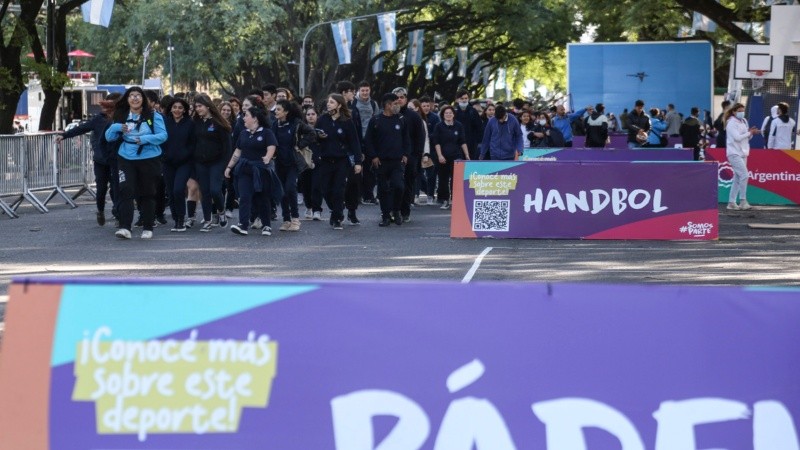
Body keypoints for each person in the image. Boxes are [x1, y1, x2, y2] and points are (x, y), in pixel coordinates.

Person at [104, 86, 167, 240]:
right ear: (127, 99)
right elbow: (109, 137)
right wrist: (116, 127)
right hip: (126, 157)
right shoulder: (121, 115)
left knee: (147, 192)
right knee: (125, 190)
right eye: (131, 95)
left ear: (143, 99)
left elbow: (163, 135)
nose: (135, 98)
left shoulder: (153, 115)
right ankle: (125, 227)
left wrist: (145, 139)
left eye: (138, 95)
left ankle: (147, 227)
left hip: (149, 157)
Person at [57, 92, 121, 227]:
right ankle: (101, 210)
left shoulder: (122, 118)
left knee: (117, 187)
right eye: (105, 105)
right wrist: (64, 135)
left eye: (111, 105)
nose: (107, 108)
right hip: (101, 160)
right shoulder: (98, 119)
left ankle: (118, 214)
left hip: (117, 160)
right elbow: (81, 128)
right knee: (101, 188)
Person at [225, 107, 280, 236]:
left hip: (260, 170)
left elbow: (272, 147)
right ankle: (243, 225)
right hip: (244, 169)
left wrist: (267, 157)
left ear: (255, 118)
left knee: (262, 198)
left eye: (246, 115)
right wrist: (229, 167)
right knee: (244, 197)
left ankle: (266, 225)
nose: (244, 118)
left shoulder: (266, 133)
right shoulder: (243, 133)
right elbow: (237, 152)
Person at [315, 94, 361, 230]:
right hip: (325, 160)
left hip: (342, 160)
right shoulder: (323, 119)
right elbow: (314, 137)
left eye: (332, 102)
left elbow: (354, 142)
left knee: (338, 189)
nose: (328, 104)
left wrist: (358, 162)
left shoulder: (347, 121)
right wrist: (319, 136)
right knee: (325, 189)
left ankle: (337, 217)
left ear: (339, 105)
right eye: (328, 102)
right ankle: (334, 209)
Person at [365, 93, 411, 227]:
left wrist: (406, 154)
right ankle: (385, 215)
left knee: (399, 186)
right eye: (395, 103)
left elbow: (407, 139)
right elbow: (369, 141)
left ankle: (396, 210)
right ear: (387, 105)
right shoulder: (376, 120)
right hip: (381, 161)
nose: (398, 105)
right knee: (383, 189)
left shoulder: (401, 119)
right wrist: (373, 156)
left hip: (397, 161)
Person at [272, 99, 315, 232]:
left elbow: (311, 133)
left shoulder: (296, 124)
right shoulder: (274, 125)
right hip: (279, 162)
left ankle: (295, 219)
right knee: (282, 191)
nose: (276, 112)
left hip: (293, 162)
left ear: (286, 112)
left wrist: (300, 145)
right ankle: (286, 219)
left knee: (290, 188)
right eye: (275, 109)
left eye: (279, 109)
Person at [192, 93, 232, 232]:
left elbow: (227, 146)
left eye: (200, 106)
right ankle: (208, 220)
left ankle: (221, 212)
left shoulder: (218, 123)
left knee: (215, 190)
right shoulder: (196, 122)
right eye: (196, 106)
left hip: (217, 162)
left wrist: (227, 164)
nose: (197, 109)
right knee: (205, 191)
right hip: (200, 162)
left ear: (208, 106)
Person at [161, 98, 196, 232]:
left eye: (180, 108)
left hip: (185, 163)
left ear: (185, 110)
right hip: (168, 162)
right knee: (170, 192)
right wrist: (163, 155)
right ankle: (176, 219)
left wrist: (186, 155)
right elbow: (160, 140)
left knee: (178, 189)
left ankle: (181, 219)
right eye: (174, 107)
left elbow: (193, 143)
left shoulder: (190, 123)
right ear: (170, 108)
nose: (177, 110)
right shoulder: (164, 123)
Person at [392, 87, 425, 223]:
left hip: (410, 157)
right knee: (393, 185)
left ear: (406, 98)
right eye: (396, 97)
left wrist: (416, 155)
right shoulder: (389, 114)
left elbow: (420, 136)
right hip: (392, 157)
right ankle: (392, 210)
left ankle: (405, 211)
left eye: (402, 97)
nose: (399, 99)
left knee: (407, 185)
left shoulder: (414, 116)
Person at [431, 105, 469, 210]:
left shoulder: (459, 125)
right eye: (446, 113)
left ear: (453, 114)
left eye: (450, 113)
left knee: (456, 179)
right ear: (443, 115)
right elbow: (436, 142)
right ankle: (445, 200)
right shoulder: (438, 126)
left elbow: (462, 141)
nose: (448, 115)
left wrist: (467, 155)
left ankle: (455, 200)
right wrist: (439, 155)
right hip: (443, 156)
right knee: (443, 180)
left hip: (456, 156)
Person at [725, 103, 760, 210]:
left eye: (743, 110)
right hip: (733, 153)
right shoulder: (730, 123)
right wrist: (749, 133)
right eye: (739, 111)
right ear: (734, 112)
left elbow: (746, 138)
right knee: (744, 175)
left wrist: (752, 133)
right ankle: (743, 201)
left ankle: (731, 202)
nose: (742, 113)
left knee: (738, 177)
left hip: (743, 152)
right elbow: (737, 138)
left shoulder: (744, 121)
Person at [353, 81, 381, 205]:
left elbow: (378, 120)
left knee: (370, 169)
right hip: (357, 139)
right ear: (359, 91)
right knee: (357, 168)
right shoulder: (353, 104)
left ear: (370, 91)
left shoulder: (374, 104)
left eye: (367, 90)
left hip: (371, 140)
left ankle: (368, 195)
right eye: (362, 90)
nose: (365, 93)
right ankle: (357, 195)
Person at [453, 89, 483, 160]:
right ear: (457, 100)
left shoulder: (473, 111)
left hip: (471, 145)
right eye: (462, 98)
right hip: (457, 145)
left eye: (466, 98)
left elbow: (479, 128)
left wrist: (477, 142)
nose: (464, 100)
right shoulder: (454, 112)